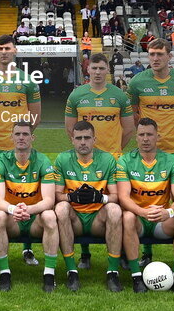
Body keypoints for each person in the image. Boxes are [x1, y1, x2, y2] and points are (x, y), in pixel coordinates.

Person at [126, 38, 174, 267]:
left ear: (170, 56)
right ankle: (146, 251)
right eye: (151, 54)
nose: (154, 59)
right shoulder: (137, 82)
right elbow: (137, 115)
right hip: (149, 152)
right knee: (146, 197)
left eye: (159, 54)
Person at [0, 34, 41, 263]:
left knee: (26, 196)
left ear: (15, 51)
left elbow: (35, 116)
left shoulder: (28, 81)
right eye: (0, 48)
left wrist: (21, 139)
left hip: (19, 150)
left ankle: (27, 247)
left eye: (8, 48)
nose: (4, 52)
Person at [115, 118, 174, 295]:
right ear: (136, 137)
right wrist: (141, 211)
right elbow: (123, 197)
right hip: (138, 219)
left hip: (161, 221)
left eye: (149, 134)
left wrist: (168, 212)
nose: (145, 138)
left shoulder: (172, 161)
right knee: (127, 216)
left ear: (158, 136)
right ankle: (136, 276)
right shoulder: (125, 161)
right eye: (141, 135)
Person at [53, 120, 123, 293]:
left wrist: (101, 198)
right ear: (72, 139)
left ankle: (113, 272)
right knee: (61, 208)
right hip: (74, 219)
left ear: (94, 139)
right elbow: (56, 195)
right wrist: (71, 197)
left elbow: (115, 196)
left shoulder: (107, 159)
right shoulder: (62, 159)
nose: (82, 142)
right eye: (78, 138)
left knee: (115, 210)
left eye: (86, 138)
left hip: (97, 219)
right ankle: (72, 272)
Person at [0, 121, 59, 292]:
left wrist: (29, 210)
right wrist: (14, 210)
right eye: (18, 134)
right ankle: (4, 273)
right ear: (11, 137)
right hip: (13, 219)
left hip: (35, 219)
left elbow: (49, 200)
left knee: (50, 216)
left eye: (25, 134)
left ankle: (49, 274)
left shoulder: (43, 160)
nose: (21, 137)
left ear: (32, 138)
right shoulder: (1, 161)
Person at [65, 52, 135, 159]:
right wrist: (82, 147)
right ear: (88, 69)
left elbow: (129, 129)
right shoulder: (75, 95)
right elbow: (70, 128)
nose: (97, 72)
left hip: (113, 157)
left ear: (108, 69)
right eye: (94, 68)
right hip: (86, 157)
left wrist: (116, 149)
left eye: (102, 68)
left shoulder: (120, 95)